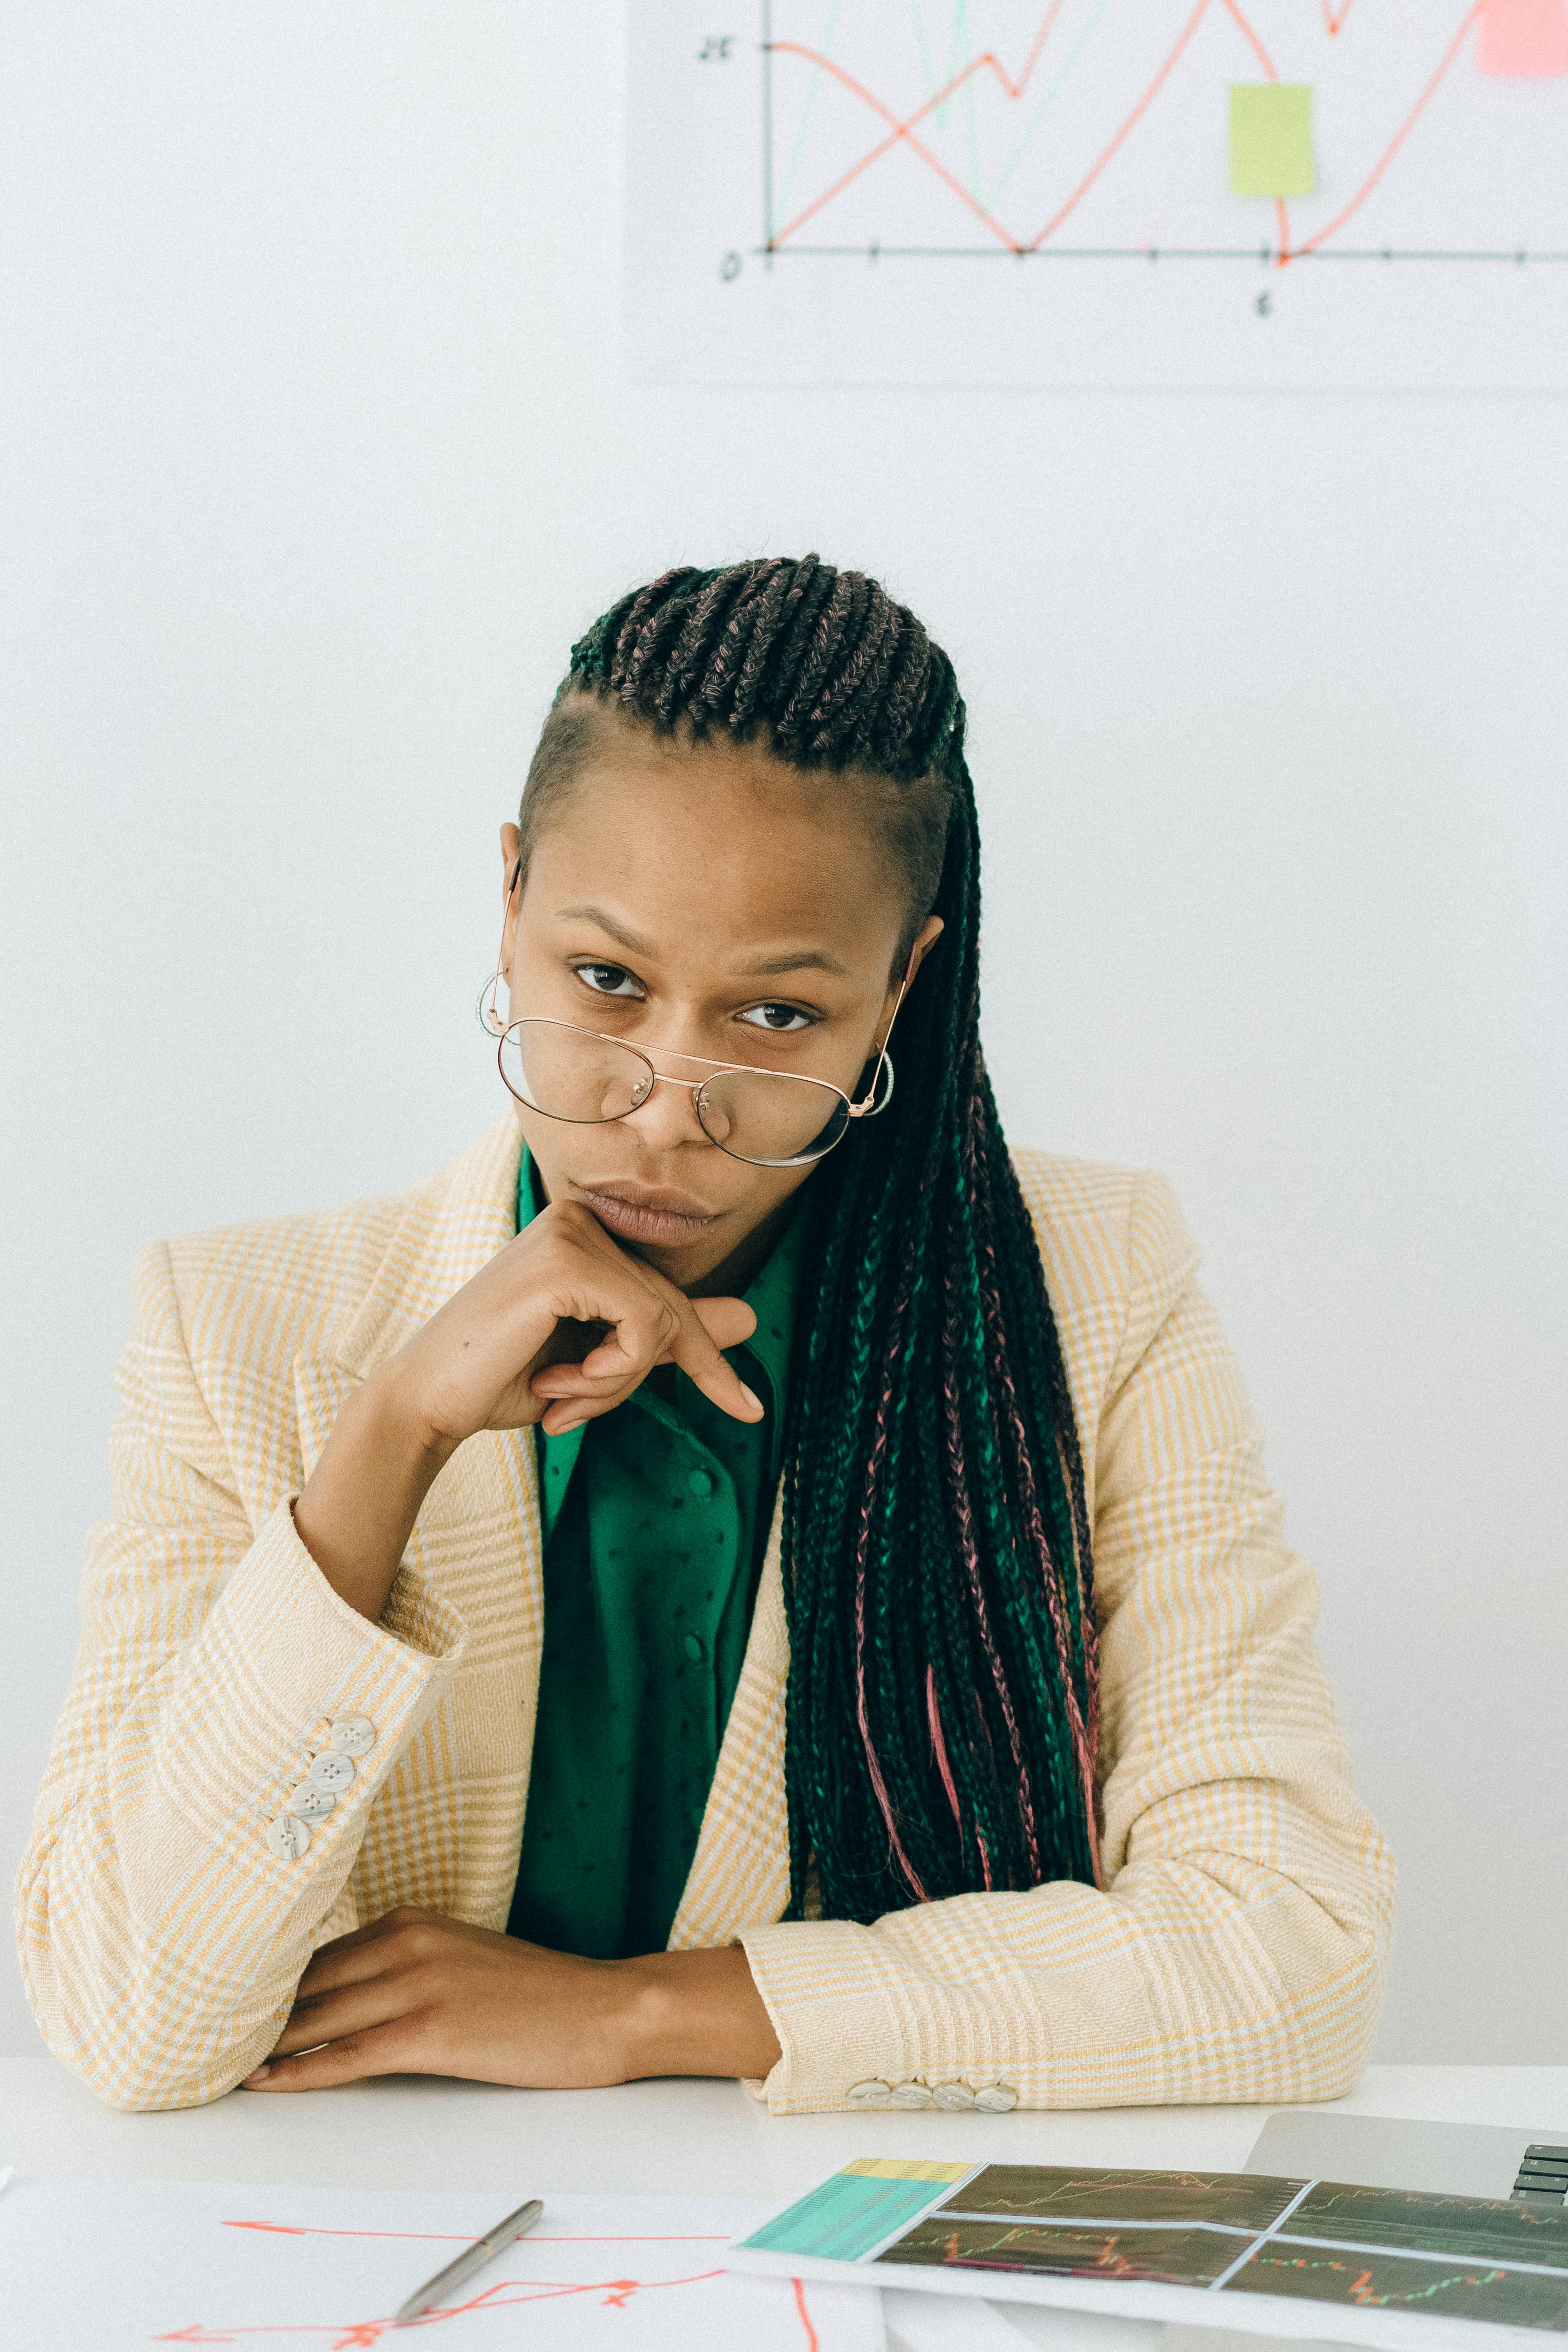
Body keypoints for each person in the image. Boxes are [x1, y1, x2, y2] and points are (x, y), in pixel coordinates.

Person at [17, 555, 1394, 2115]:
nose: (667, 1109)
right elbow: (134, 2023)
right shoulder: (239, 1326)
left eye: (777, 1018)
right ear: (510, 900)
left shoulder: (1093, 1284)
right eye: (603, 980)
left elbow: (1290, 1949)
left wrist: (645, 2015)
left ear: (902, 990)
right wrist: (384, 1445)